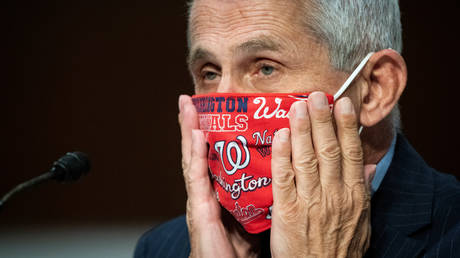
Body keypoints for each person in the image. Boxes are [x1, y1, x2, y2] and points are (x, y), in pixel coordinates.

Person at [134, 0, 460, 257]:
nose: (226, 104)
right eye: (209, 73)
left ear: (375, 88)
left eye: (264, 67)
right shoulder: (163, 248)